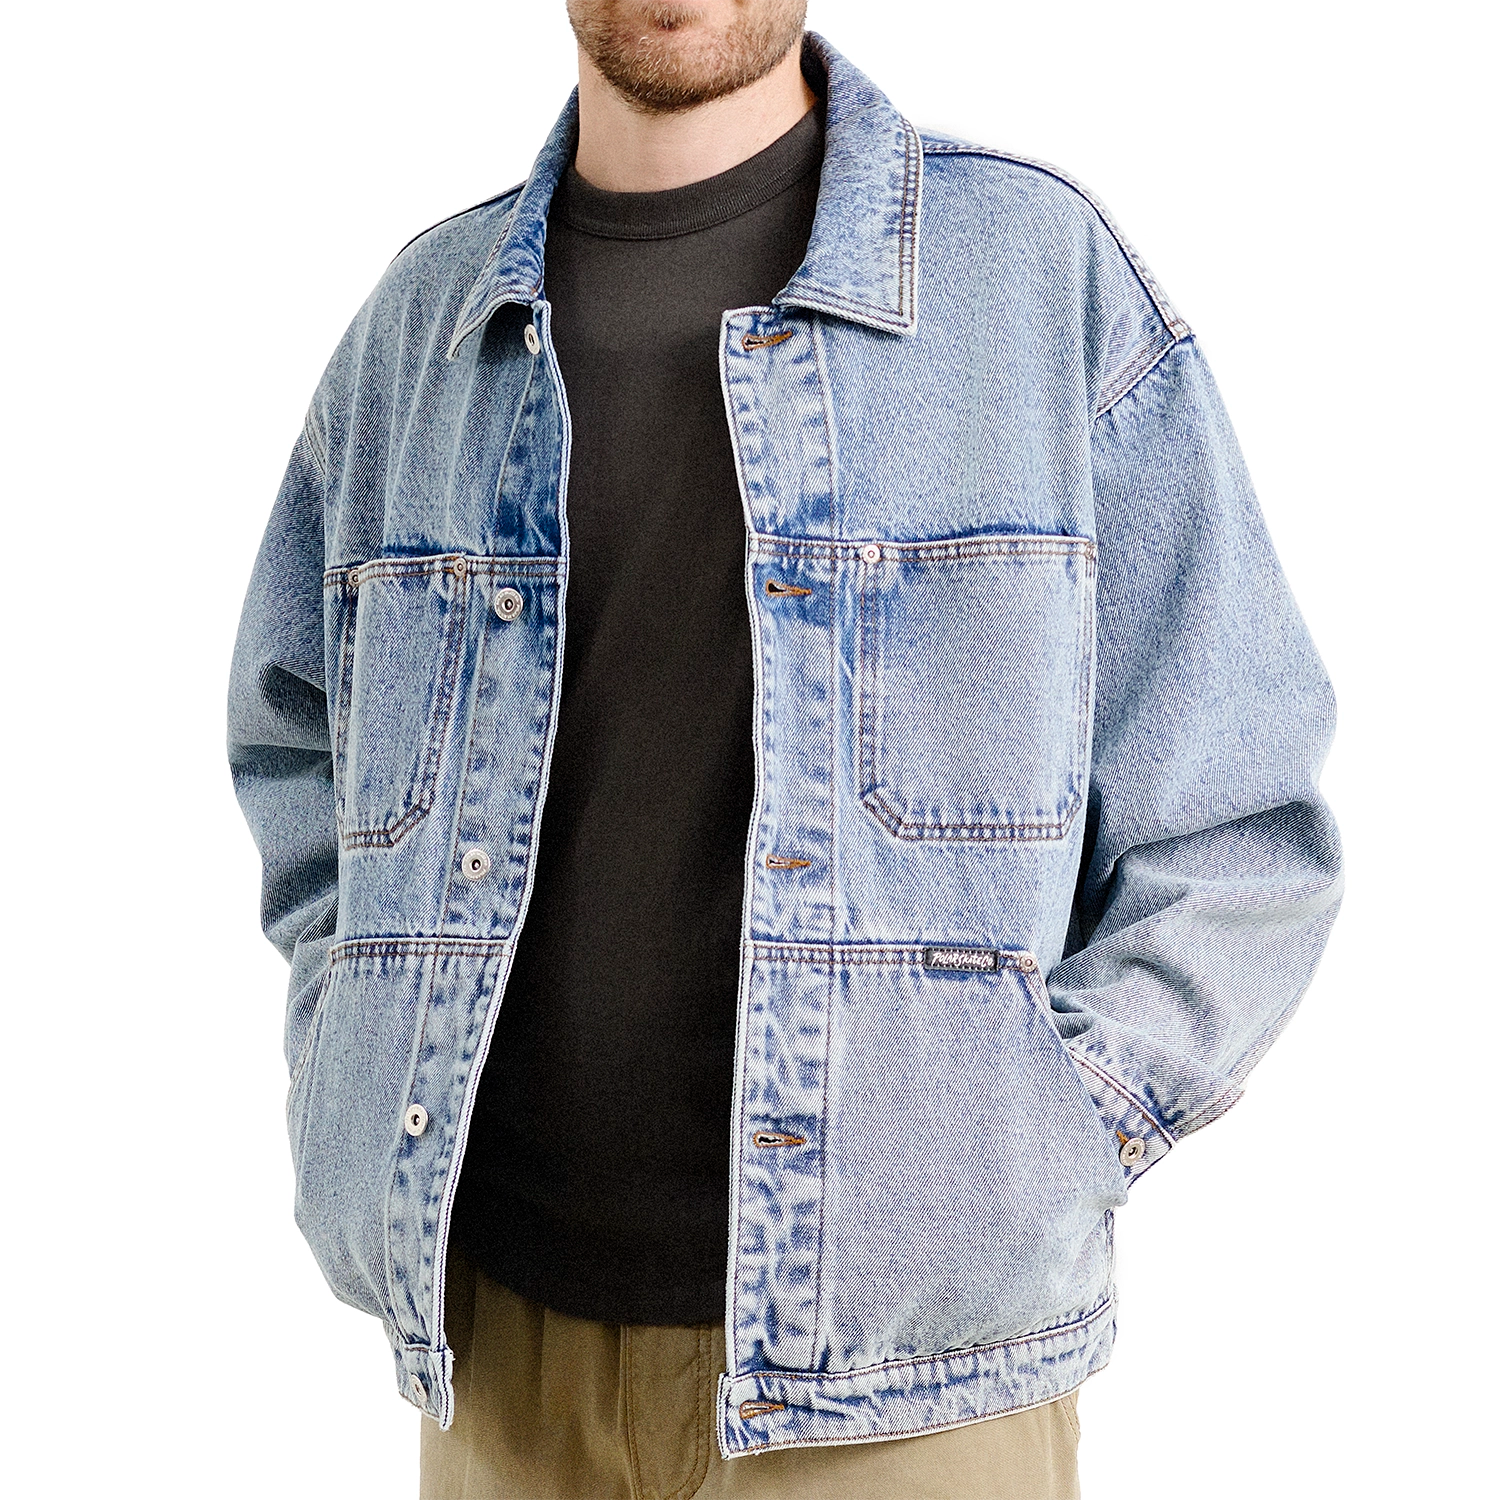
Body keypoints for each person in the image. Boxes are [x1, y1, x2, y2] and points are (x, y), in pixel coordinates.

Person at [227, 3, 1342, 1495]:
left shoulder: (1032, 278)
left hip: (909, 1388)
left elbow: (1238, 822)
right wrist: (348, 1045)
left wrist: (1051, 1134)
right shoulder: (422, 329)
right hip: (494, 1363)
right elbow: (299, 748)